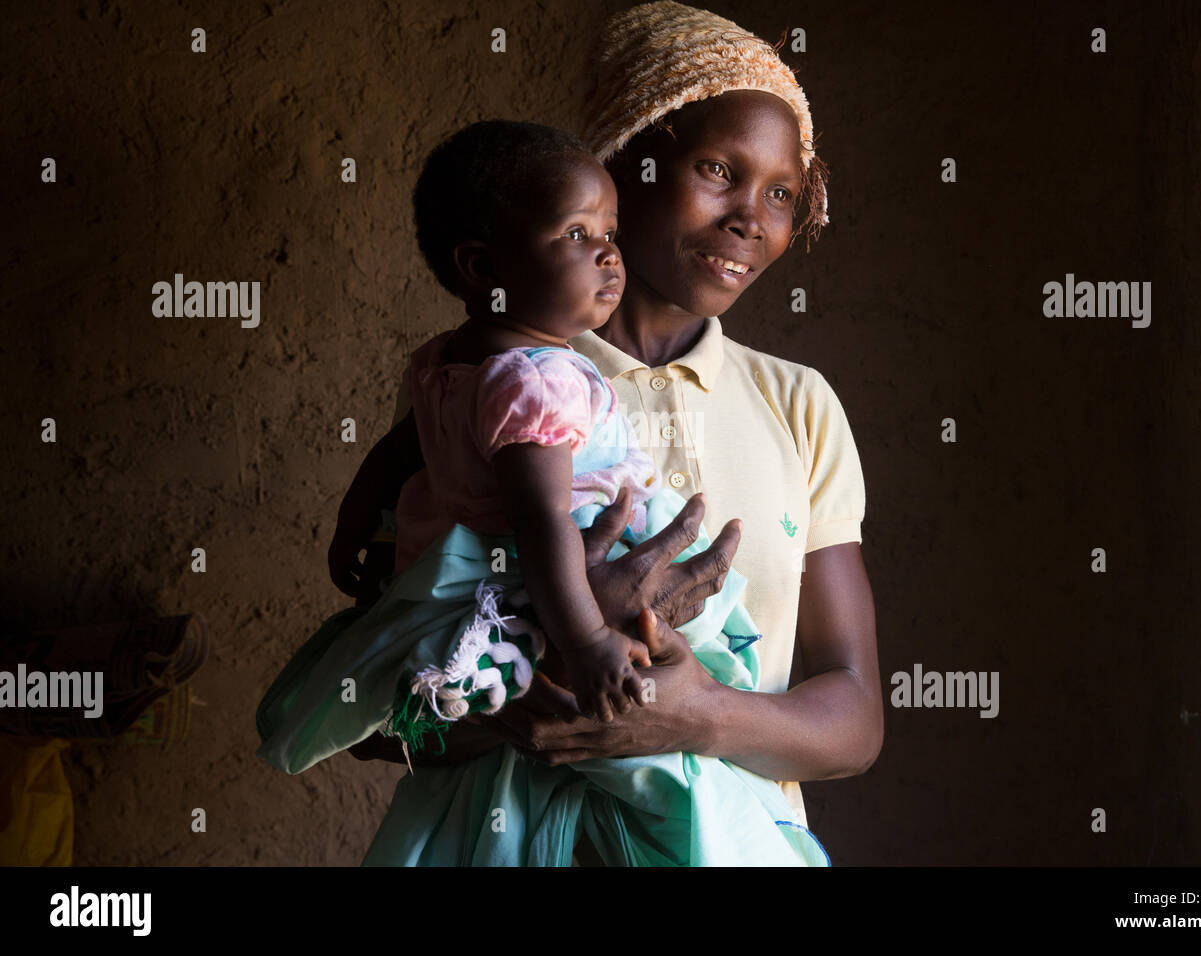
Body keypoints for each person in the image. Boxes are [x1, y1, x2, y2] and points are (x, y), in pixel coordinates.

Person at [332, 0, 884, 864]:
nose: (751, 216)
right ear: (625, 165)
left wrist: (696, 716)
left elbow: (854, 722)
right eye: (716, 169)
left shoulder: (799, 406)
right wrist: (542, 688)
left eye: (780, 194)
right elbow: (372, 701)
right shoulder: (499, 390)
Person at [257, 118, 831, 866]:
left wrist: (353, 524)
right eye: (576, 233)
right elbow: (543, 521)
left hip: (466, 594)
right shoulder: (542, 377)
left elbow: (397, 456)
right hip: (553, 575)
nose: (607, 253)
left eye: (608, 232)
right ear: (481, 266)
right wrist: (585, 637)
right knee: (682, 770)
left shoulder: (443, 362)